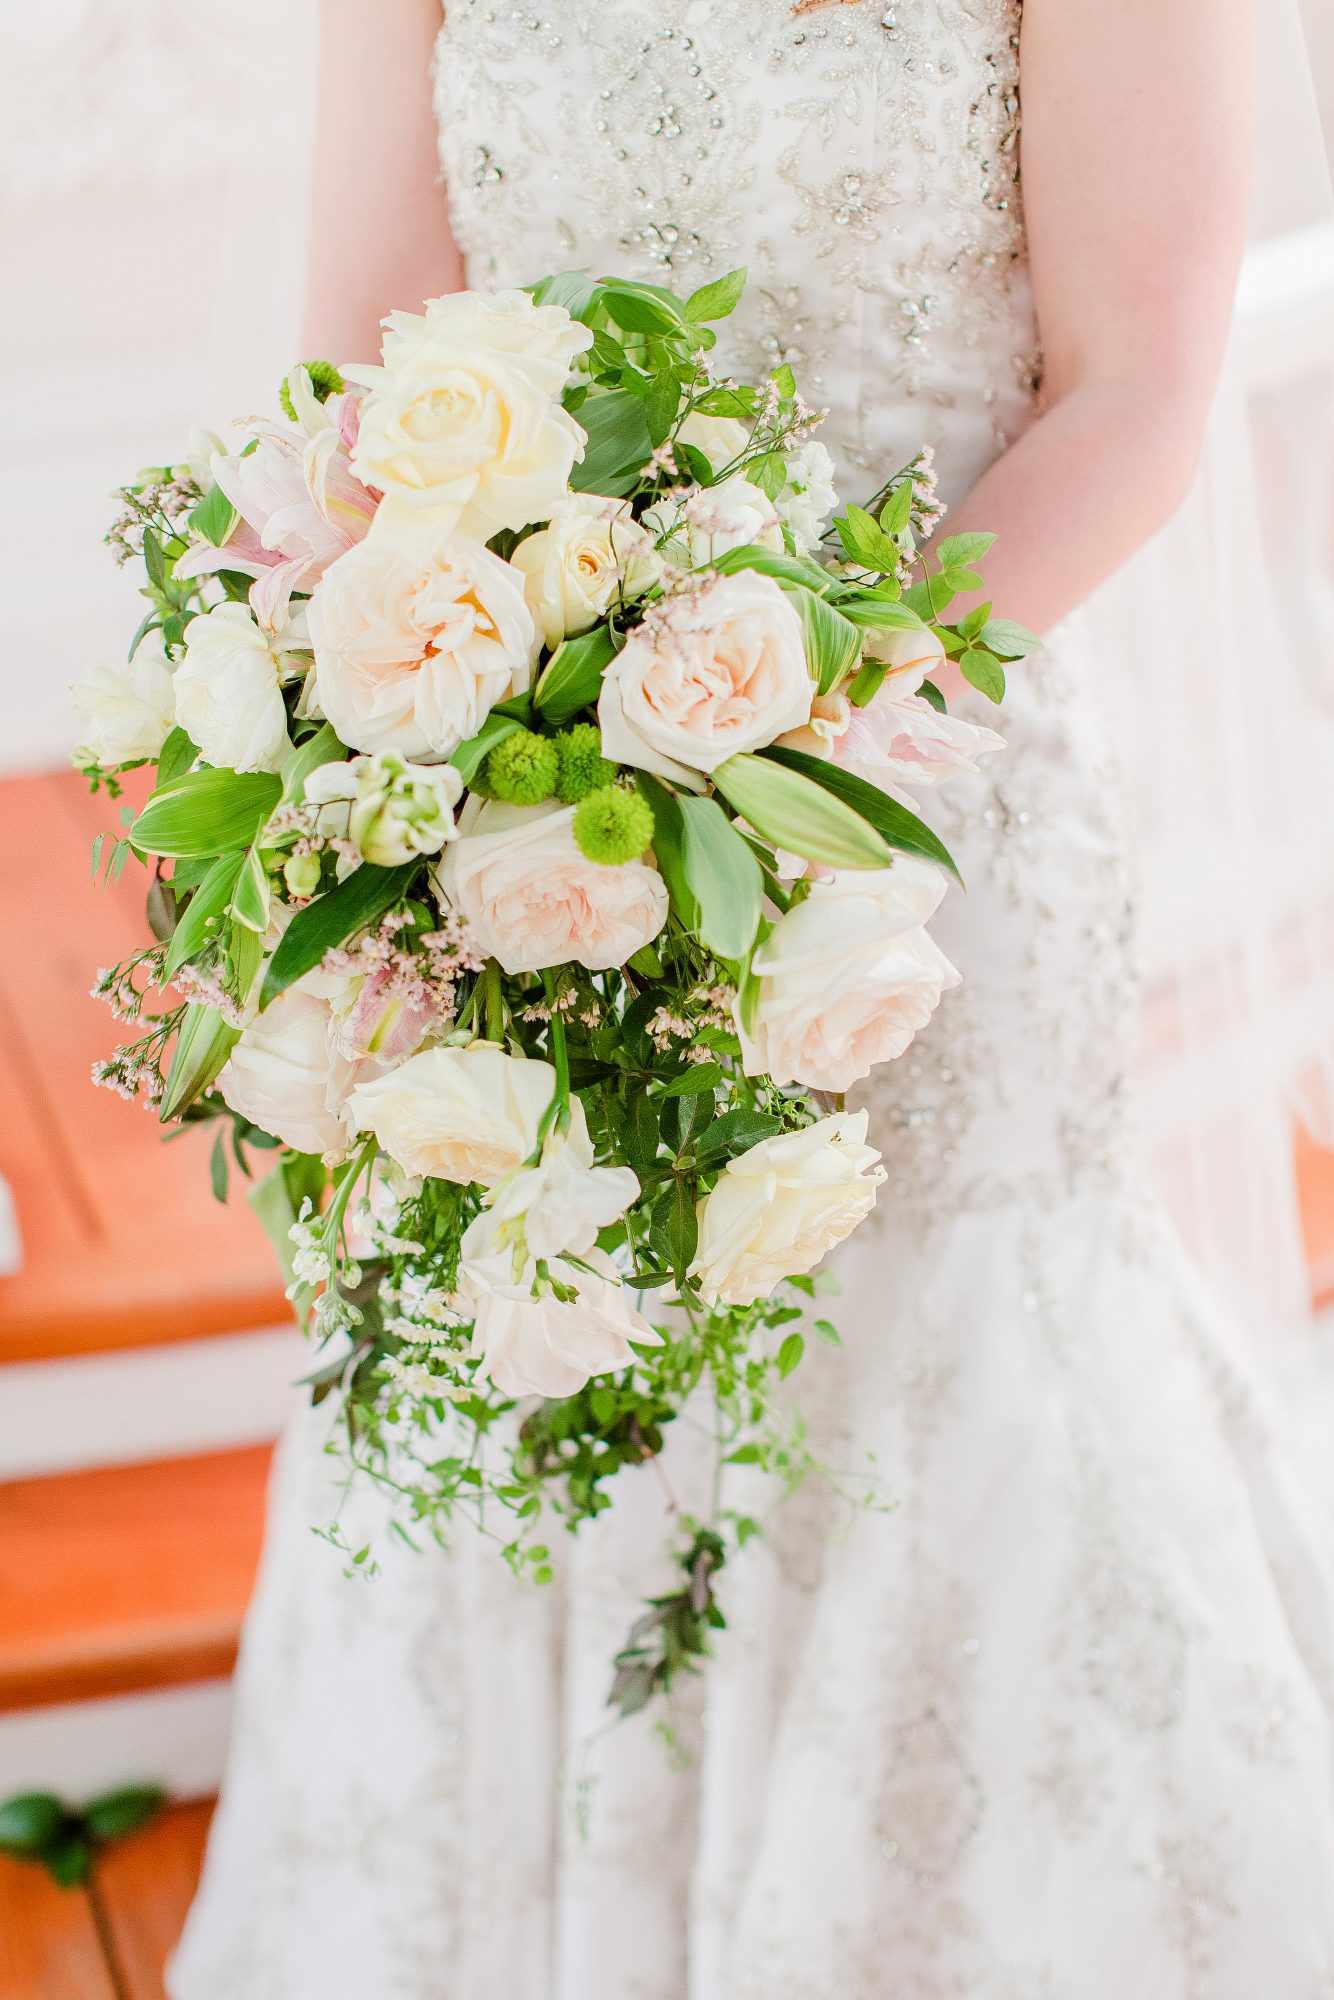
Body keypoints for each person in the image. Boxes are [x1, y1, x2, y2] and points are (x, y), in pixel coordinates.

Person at [172, 2, 1334, 1992]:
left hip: (920, 808)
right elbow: (366, 351)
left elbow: (1132, 390)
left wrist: (779, 745)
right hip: (513, 810)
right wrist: (404, 745)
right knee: (539, 1324)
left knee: (938, 1351)